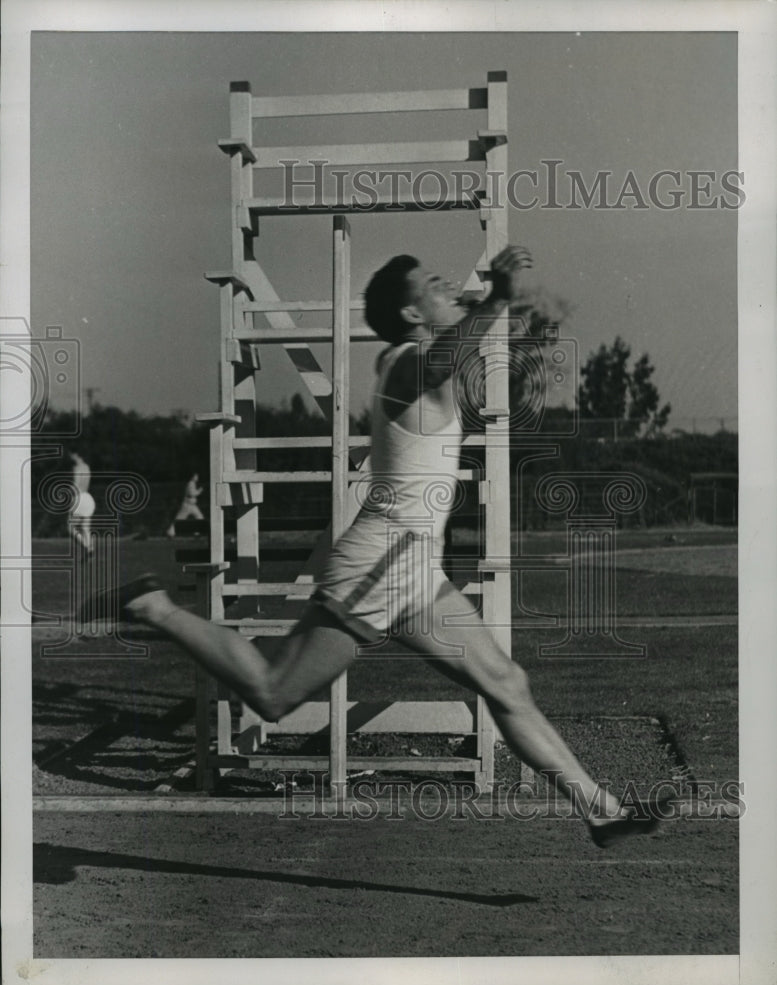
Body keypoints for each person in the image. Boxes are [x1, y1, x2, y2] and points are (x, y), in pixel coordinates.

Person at [83, 247, 664, 847]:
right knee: (274, 693)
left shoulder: (413, 357)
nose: (446, 286)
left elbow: (457, 356)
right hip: (380, 563)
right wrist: (495, 298)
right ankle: (155, 607)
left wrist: (498, 306)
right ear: (413, 314)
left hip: (414, 568)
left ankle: (600, 809)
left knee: (505, 682)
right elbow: (445, 360)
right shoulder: (410, 361)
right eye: (433, 285)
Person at [67, 451, 95, 558]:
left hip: (79, 499)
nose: (70, 457)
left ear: (76, 455)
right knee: (85, 527)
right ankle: (90, 548)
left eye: (71, 455)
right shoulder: (87, 467)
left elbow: (76, 484)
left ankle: (86, 547)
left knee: (70, 528)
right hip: (88, 498)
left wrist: (69, 492)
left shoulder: (76, 468)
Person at [166, 473, 205, 537]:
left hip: (192, 505)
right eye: (196, 476)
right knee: (180, 518)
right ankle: (170, 533)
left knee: (200, 516)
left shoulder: (193, 483)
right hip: (187, 505)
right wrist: (200, 491)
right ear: (193, 477)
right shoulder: (190, 483)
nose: (197, 477)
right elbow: (192, 494)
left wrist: (199, 491)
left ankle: (197, 533)